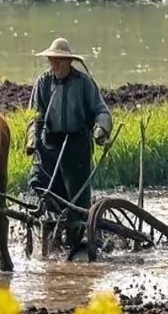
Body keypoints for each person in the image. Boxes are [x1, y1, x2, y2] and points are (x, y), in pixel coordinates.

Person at [25, 36, 113, 252]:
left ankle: (76, 236)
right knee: (39, 184)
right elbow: (35, 113)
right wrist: (31, 138)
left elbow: (101, 110)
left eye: (57, 61)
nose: (53, 65)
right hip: (50, 143)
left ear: (68, 62)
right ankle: (51, 226)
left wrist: (101, 129)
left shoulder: (83, 83)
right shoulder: (43, 83)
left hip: (76, 143)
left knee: (76, 198)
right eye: (51, 61)